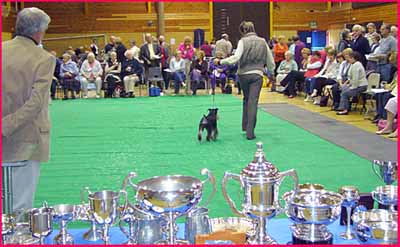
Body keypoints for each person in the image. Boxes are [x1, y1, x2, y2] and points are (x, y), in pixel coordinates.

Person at [2, 7, 55, 213]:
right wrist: (5, 126)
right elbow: (36, 103)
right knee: (20, 206)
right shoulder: (43, 59)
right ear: (39, 32)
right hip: (26, 139)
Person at [216, 21, 275, 140]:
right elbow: (270, 61)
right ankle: (250, 131)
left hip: (243, 75)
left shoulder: (242, 41)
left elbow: (236, 58)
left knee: (246, 99)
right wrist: (271, 74)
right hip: (257, 74)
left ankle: (245, 126)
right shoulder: (263, 41)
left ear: (243, 31)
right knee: (253, 102)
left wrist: (220, 62)